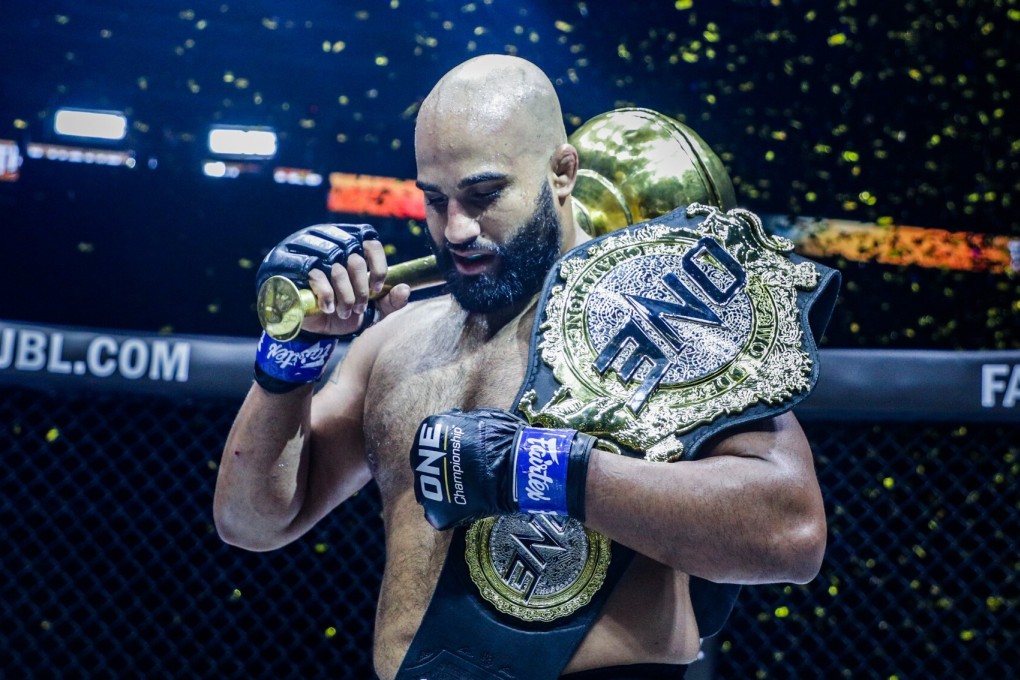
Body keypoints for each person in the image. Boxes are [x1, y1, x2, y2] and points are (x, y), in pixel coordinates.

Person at [213, 54, 827, 679]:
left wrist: (540, 469)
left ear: (562, 173)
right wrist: (293, 355)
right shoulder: (397, 341)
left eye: (483, 196)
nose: (455, 228)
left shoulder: (664, 322)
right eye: (435, 200)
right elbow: (253, 521)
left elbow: (793, 533)